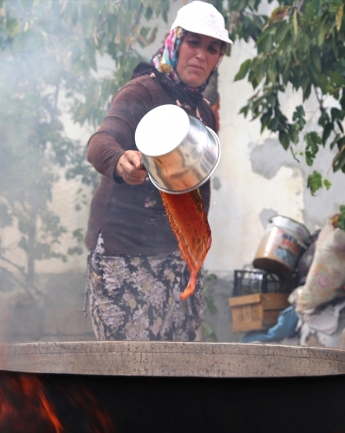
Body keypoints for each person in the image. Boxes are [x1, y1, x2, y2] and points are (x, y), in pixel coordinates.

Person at [84, 1, 232, 341]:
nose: (201, 55)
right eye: (193, 42)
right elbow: (101, 141)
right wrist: (120, 163)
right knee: (130, 370)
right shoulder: (143, 91)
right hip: (125, 256)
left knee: (174, 372)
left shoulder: (203, 113)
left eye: (212, 48)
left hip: (176, 257)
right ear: (176, 41)